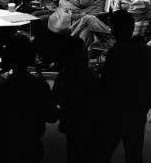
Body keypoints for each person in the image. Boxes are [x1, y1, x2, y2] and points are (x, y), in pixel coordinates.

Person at [0, 36, 58, 163]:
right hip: (31, 147)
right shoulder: (39, 85)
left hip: (6, 148)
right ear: (30, 56)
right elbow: (52, 116)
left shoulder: (1, 88)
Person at [101, 10, 151, 163]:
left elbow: (108, 84)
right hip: (138, 109)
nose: (110, 30)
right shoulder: (145, 50)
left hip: (117, 110)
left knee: (104, 152)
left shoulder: (116, 52)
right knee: (134, 153)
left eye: (112, 26)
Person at [52, 37, 105, 163]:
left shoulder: (64, 75)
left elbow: (54, 99)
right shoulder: (91, 75)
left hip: (72, 123)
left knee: (73, 152)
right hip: (91, 124)